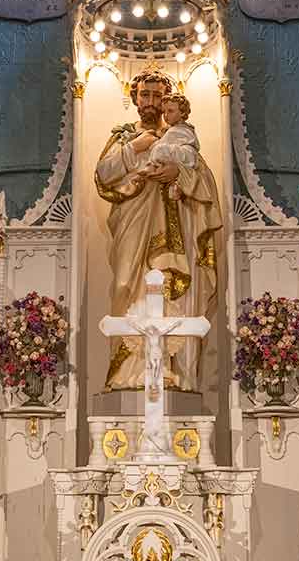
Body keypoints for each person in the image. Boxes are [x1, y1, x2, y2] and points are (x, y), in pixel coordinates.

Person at [94, 73, 222, 391]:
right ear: (135, 98)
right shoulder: (125, 137)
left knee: (168, 294)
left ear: (168, 102)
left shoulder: (179, 139)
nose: (150, 102)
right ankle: (123, 374)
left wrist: (178, 172)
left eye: (157, 96)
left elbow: (205, 184)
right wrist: (134, 148)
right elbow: (102, 175)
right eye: (144, 95)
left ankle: (168, 368)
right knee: (125, 285)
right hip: (131, 224)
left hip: (171, 230)